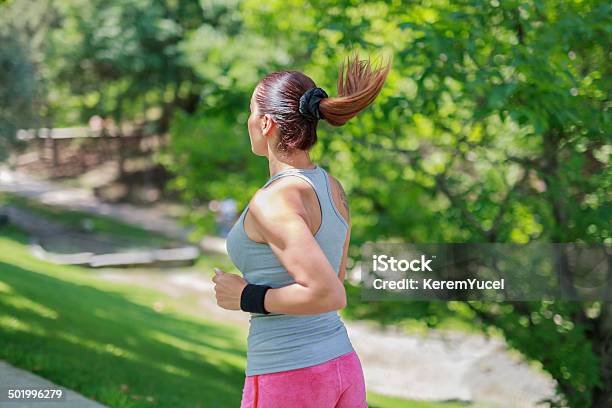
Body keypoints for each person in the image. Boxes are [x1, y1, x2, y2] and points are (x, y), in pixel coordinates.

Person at [212, 50, 392, 408]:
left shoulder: (274, 200)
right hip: (341, 365)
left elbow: (329, 294)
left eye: (251, 112)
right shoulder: (331, 187)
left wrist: (245, 297)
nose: (248, 121)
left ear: (265, 123)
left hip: (290, 373)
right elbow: (335, 279)